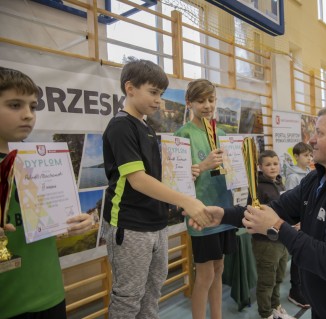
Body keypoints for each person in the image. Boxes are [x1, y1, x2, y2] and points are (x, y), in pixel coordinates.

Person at [199, 105, 326, 319]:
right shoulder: (316, 179)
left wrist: (278, 227)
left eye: (320, 133)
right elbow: (275, 209)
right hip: (324, 307)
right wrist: (224, 215)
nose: (311, 140)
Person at [102, 60, 211, 319]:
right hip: (130, 225)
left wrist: (187, 174)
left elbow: (156, 176)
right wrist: (187, 200)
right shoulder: (121, 126)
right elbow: (138, 180)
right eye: (153, 92)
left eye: (160, 94)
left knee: (152, 294)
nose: (158, 100)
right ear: (130, 88)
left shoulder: (146, 127)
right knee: (128, 299)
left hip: (156, 223)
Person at [0, 67, 93, 318]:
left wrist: (76, 221)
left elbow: (43, 222)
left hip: (50, 293)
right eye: (15, 105)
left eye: (33, 106)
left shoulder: (36, 160)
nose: (28, 115)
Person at [174, 79, 237, 319]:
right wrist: (203, 165)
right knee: (205, 275)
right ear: (189, 102)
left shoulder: (220, 133)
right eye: (201, 101)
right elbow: (177, 182)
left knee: (219, 269)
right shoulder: (182, 135)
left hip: (224, 210)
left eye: (211, 100)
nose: (207, 105)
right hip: (201, 214)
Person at [251, 150, 294, 319]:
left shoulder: (279, 183)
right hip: (266, 242)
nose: (272, 167)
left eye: (275, 163)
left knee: (278, 277)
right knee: (267, 281)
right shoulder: (258, 188)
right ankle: (265, 313)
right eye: (268, 164)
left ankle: (276, 307)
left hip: (281, 240)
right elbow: (256, 214)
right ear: (260, 167)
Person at [283, 142, 313, 309]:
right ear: (296, 156)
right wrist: (297, 222)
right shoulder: (293, 177)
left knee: (308, 253)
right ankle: (296, 289)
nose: (309, 158)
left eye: (310, 155)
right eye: (305, 155)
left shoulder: (310, 173)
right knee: (298, 255)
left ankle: (304, 286)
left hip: (309, 221)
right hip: (298, 223)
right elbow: (290, 202)